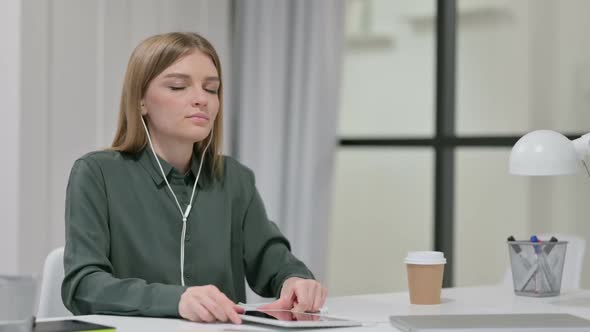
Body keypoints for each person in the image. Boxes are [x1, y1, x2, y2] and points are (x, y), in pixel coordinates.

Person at [61, 32, 327, 324]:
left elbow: (273, 261)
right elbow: (83, 286)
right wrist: (177, 300)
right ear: (140, 101)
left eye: (211, 89)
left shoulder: (235, 179)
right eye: (178, 86)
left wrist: (295, 280)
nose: (201, 99)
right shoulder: (96, 174)